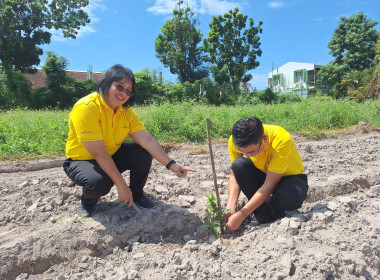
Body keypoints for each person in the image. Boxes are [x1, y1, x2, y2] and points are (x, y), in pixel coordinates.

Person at [63, 64, 195, 217]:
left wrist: (172, 165)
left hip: (110, 154)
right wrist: (121, 185)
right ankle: (87, 202)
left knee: (142, 152)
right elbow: (98, 152)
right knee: (99, 183)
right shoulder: (87, 107)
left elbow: (147, 140)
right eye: (119, 87)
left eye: (128, 91)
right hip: (81, 160)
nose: (123, 94)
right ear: (106, 83)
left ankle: (137, 195)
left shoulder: (126, 112)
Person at [223, 117, 308, 232]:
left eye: (252, 151)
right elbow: (234, 176)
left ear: (265, 139)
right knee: (239, 165)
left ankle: (276, 209)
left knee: (289, 196)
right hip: (263, 174)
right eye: (243, 152)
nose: (247, 156)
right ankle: (263, 214)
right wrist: (230, 206)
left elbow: (270, 183)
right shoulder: (235, 141)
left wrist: (242, 214)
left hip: (289, 179)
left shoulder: (281, 139)